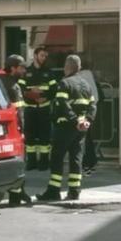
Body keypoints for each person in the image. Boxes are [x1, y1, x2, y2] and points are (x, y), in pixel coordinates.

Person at [37, 55, 97, 203]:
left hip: (64, 127)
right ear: (79, 67)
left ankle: (53, 191)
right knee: (76, 158)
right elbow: (92, 105)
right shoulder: (86, 85)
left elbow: (62, 104)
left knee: (57, 158)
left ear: (67, 67)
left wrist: (74, 119)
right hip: (81, 129)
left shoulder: (64, 83)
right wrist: (87, 120)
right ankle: (74, 191)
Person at [0, 55, 33, 207]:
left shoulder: (6, 82)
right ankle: (15, 197)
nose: (24, 70)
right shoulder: (11, 86)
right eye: (21, 67)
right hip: (14, 132)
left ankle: (19, 192)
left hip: (11, 132)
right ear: (13, 68)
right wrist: (21, 130)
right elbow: (17, 113)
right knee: (18, 162)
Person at [21, 46, 58, 170]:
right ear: (35, 55)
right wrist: (31, 96)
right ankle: (31, 162)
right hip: (30, 109)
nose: (44, 58)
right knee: (29, 137)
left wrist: (44, 97)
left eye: (45, 56)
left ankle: (44, 163)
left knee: (45, 137)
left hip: (44, 109)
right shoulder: (26, 72)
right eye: (42, 55)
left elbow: (54, 90)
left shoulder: (49, 72)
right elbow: (20, 90)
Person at [72, 58, 101, 175]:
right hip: (90, 110)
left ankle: (87, 164)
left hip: (82, 111)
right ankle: (91, 162)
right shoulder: (89, 75)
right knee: (87, 138)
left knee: (83, 139)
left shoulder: (80, 77)